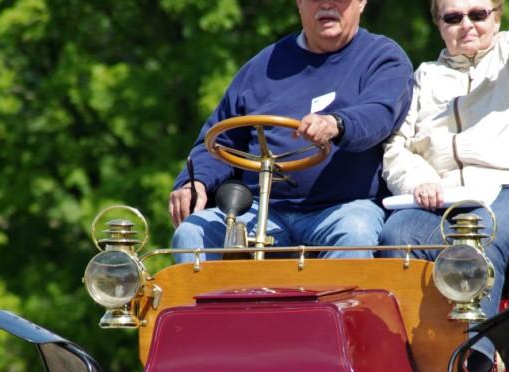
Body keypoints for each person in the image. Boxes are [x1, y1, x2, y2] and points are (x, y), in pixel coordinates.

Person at [380, 0, 509, 372]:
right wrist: (421, 179)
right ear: (439, 26)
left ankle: (475, 368)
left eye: (478, 14)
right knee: (396, 235)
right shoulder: (424, 77)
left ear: (497, 17)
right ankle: (408, 363)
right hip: (449, 199)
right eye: (453, 17)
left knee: (479, 237)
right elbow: (396, 149)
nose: (466, 25)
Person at [169, 0, 413, 261]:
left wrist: (336, 124)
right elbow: (221, 139)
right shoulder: (262, 67)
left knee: (355, 233)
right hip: (260, 209)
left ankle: (343, 303)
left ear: (361, 2)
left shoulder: (383, 57)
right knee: (191, 233)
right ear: (299, 3)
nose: (327, 5)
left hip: (344, 208)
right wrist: (195, 182)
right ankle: (209, 302)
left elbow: (379, 114)